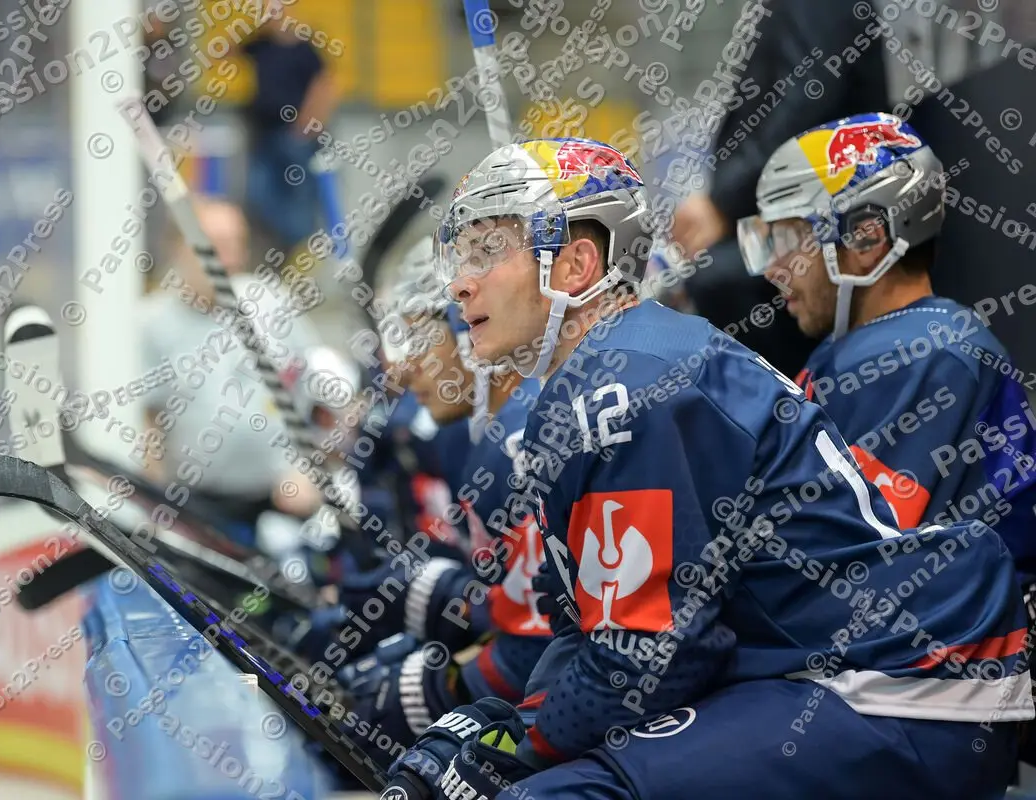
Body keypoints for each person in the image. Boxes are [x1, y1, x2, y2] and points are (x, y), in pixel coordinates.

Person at [379, 136, 1032, 800]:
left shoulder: (630, 381)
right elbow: (588, 628)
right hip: (825, 669)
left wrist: (517, 749)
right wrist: (506, 723)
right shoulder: (600, 380)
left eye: (489, 251)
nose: (460, 281)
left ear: (575, 264)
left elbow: (652, 656)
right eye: (461, 254)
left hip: (903, 685)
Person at [738, 112, 1036, 590]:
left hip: (935, 658)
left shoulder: (919, 356)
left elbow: (841, 560)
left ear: (867, 238)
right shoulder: (890, 345)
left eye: (790, 239)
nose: (774, 267)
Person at [333, 240, 551, 760]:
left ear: (470, 331)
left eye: (419, 341)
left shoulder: (518, 446)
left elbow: (542, 642)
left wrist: (449, 687)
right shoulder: (484, 437)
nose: (404, 370)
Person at [668, 0, 891, 377]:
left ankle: (794, 419)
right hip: (793, 209)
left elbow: (805, 100)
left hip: (828, 216)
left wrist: (722, 203)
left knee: (715, 279)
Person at [139, 197, 329, 547]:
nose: (229, 259)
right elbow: (149, 423)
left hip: (282, 503)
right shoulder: (152, 325)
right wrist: (156, 509)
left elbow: (326, 396)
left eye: (236, 244)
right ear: (178, 248)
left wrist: (313, 470)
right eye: (215, 246)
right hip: (199, 509)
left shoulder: (271, 303)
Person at [240, 0, 339, 257]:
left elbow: (325, 84)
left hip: (295, 135)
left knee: (300, 198)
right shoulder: (261, 45)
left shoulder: (305, 49)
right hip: (264, 133)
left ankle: (301, 256)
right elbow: (221, 52)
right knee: (259, 195)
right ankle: (283, 250)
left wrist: (308, 122)